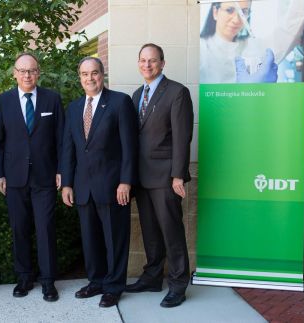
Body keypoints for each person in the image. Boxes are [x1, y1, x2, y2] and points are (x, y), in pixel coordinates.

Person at [61, 57, 138, 308]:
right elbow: (68, 148)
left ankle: (114, 286)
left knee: (115, 239)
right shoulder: (73, 108)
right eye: (84, 74)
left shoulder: (119, 102)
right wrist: (67, 183)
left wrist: (125, 181)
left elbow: (130, 147)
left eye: (94, 73)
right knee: (90, 238)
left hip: (113, 186)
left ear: (102, 74)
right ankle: (96, 281)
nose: (89, 78)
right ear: (79, 77)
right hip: (83, 188)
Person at [125, 43, 193, 308]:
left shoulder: (177, 92)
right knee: (150, 232)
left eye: (152, 61)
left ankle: (177, 285)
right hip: (141, 178)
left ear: (162, 63)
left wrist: (178, 176)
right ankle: (152, 277)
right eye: (143, 60)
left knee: (171, 232)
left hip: (166, 177)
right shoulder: (135, 95)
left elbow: (182, 137)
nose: (147, 65)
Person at [0, 53, 64, 302]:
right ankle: (24, 278)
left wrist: (61, 171)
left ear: (38, 73)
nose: (26, 75)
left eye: (31, 70)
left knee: (45, 229)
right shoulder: (3, 101)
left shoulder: (52, 99)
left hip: (45, 177)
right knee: (19, 229)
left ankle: (48, 282)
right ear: (14, 73)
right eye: (22, 70)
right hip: (14, 178)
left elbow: (61, 139)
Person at [199, 0, 304, 84]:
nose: (236, 19)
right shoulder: (200, 49)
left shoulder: (253, 47)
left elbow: (288, 32)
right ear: (215, 12)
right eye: (229, 10)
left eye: (244, 12)